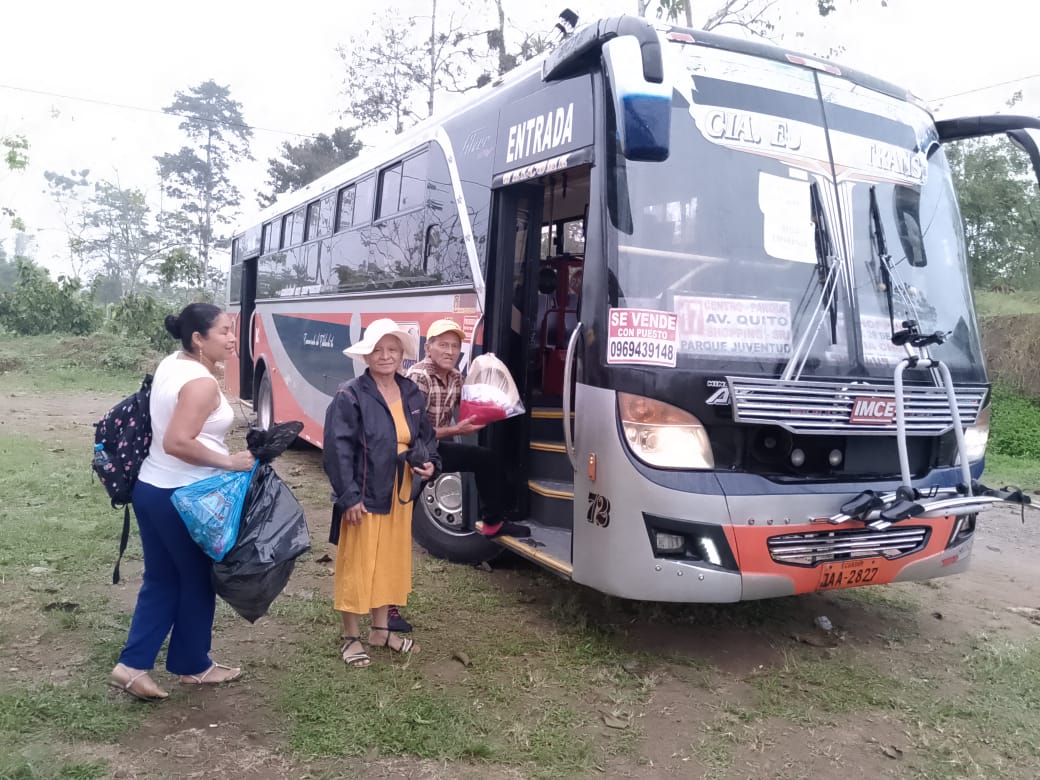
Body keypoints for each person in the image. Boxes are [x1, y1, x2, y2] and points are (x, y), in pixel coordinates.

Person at [110, 303, 255, 702]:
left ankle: (134, 665)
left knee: (163, 578)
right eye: (224, 331)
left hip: (152, 489)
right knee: (196, 580)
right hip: (183, 498)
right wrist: (230, 462)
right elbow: (177, 442)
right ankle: (192, 665)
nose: (232, 339)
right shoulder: (201, 383)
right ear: (198, 338)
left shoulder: (172, 363)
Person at [323, 318, 440, 668]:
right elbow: (337, 450)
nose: (385, 356)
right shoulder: (350, 395)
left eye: (393, 349)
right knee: (358, 564)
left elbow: (425, 436)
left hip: (398, 490)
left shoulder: (410, 391)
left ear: (403, 355)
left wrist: (431, 462)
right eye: (378, 350)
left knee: (389, 561)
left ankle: (380, 630)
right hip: (365, 492)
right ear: (366, 355)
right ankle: (351, 637)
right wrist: (349, 496)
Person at [406, 318, 528, 538]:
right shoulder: (418, 377)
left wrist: (502, 404)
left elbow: (474, 405)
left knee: (486, 459)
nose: (450, 351)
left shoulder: (454, 377)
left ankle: (493, 524)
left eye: (455, 346)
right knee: (405, 507)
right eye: (443, 345)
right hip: (412, 451)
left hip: (434, 447)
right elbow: (413, 431)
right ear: (428, 348)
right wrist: (456, 431)